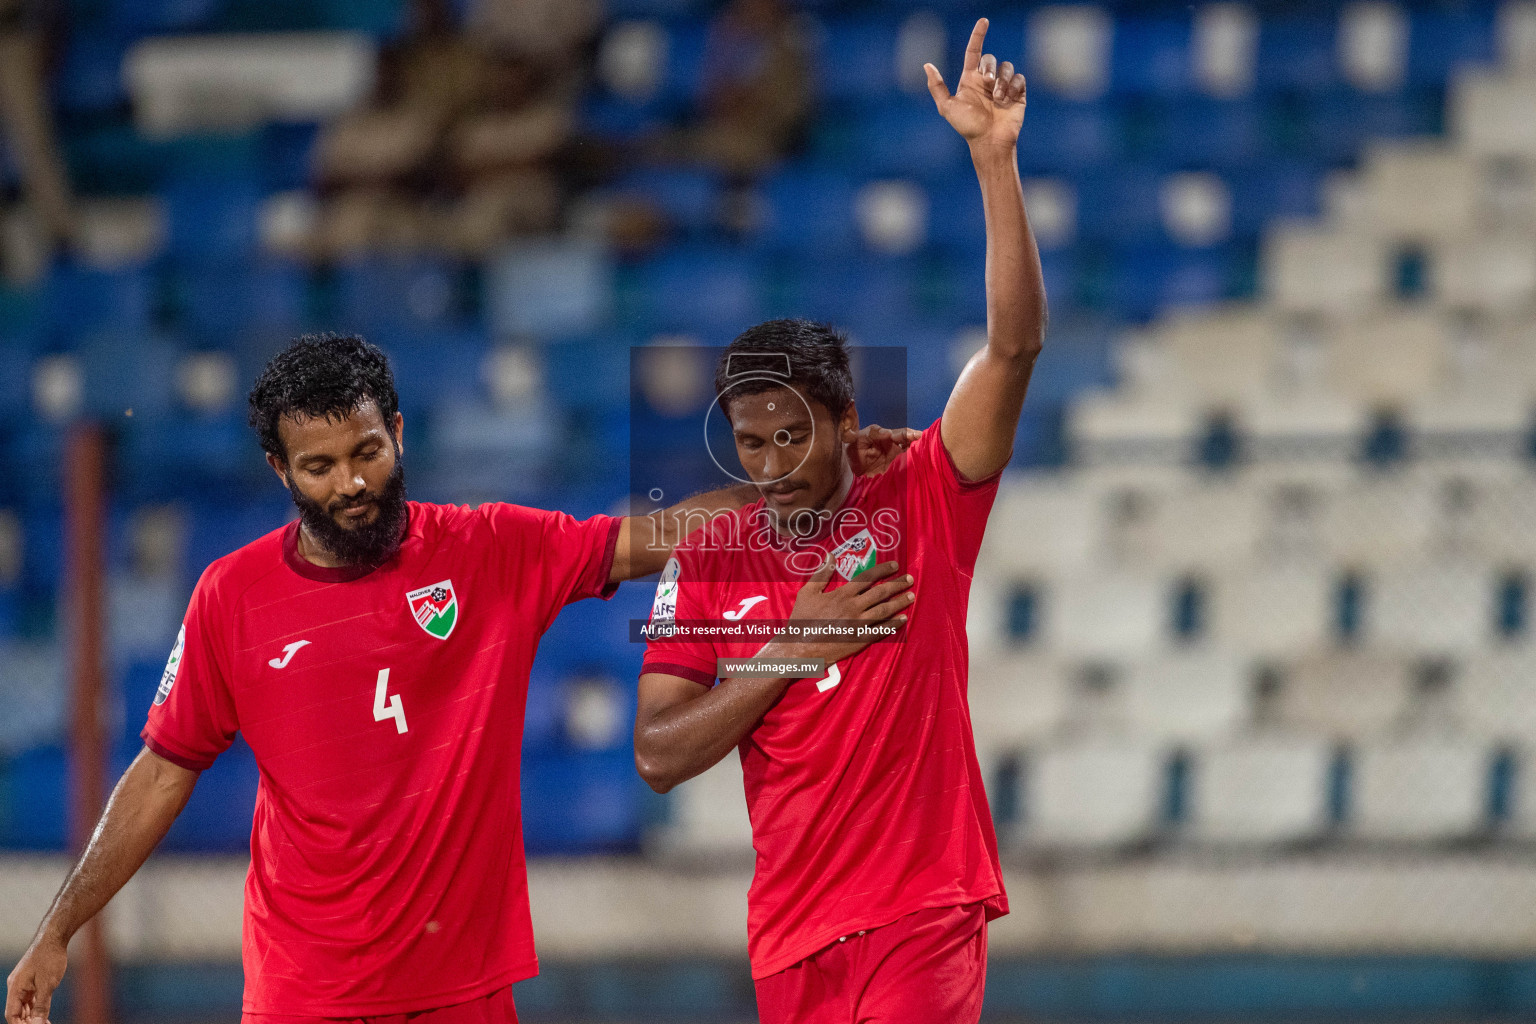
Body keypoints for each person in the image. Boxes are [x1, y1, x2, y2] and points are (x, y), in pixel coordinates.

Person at [4, 335, 917, 1024]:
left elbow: (655, 536)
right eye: (319, 467)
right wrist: (59, 924)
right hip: (302, 991)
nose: (350, 482)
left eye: (366, 451)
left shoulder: (488, 548)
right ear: (280, 470)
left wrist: (805, 475)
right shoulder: (230, 597)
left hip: (462, 989)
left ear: (396, 433)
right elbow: (163, 770)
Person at [633, 19, 1044, 1023]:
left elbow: (1014, 347)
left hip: (920, 916)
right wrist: (789, 646)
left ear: (849, 421)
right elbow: (658, 754)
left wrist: (994, 163)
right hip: (791, 939)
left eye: (793, 437)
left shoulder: (922, 496)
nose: (771, 466)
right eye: (751, 442)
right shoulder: (712, 558)